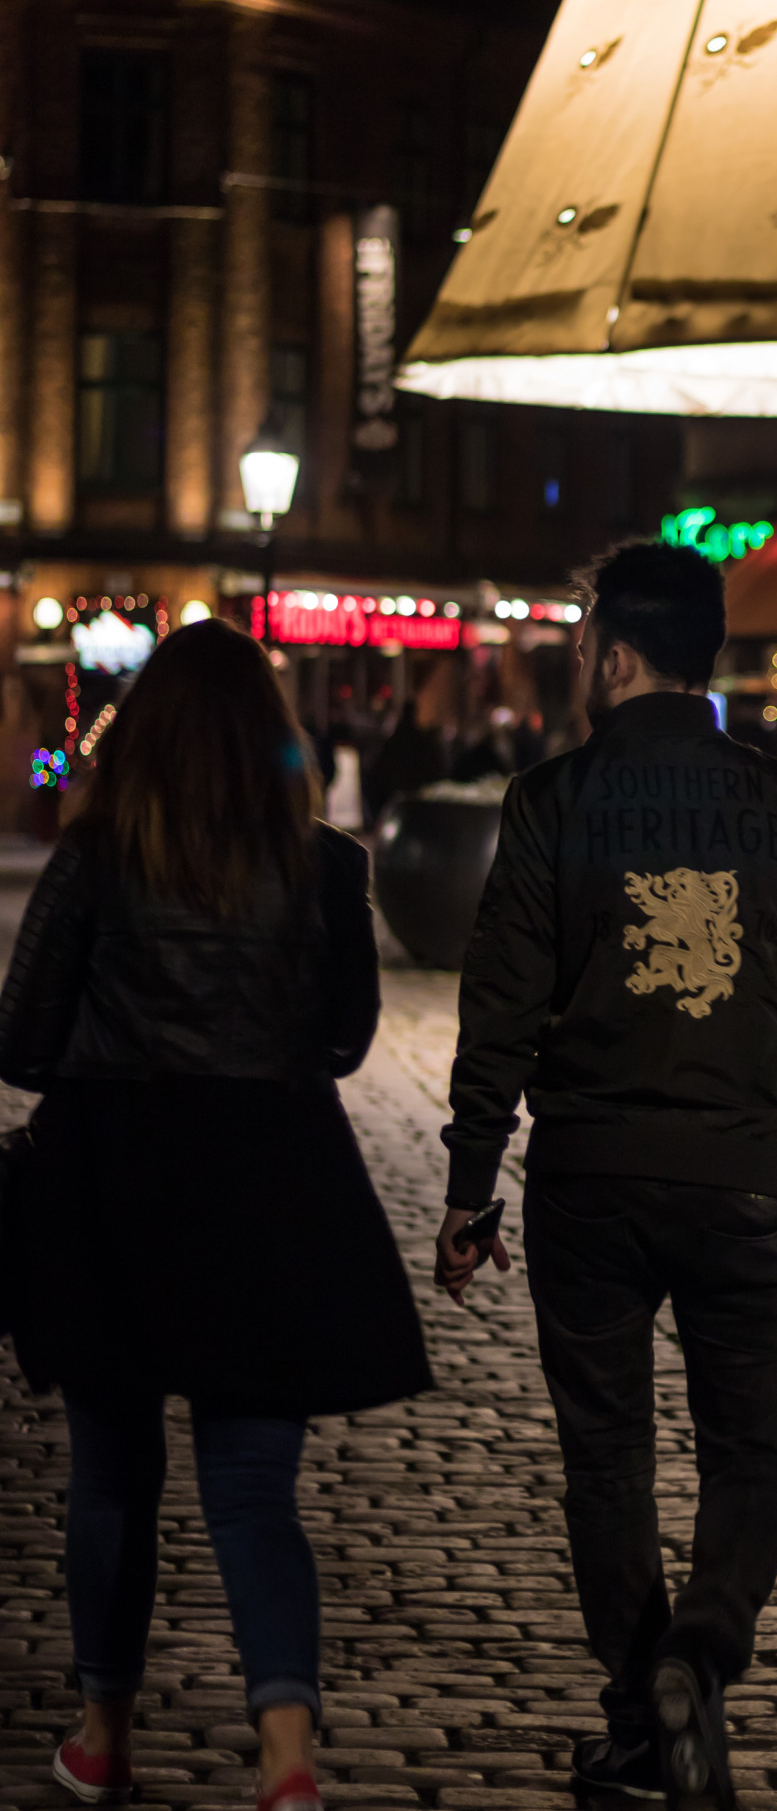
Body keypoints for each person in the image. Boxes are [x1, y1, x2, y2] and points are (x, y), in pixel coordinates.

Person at [433, 541, 777, 1811]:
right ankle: (702, 1650)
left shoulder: (550, 802)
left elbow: (499, 1011)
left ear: (616, 655)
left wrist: (470, 1186)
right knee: (752, 1453)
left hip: (591, 1179)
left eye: (580, 645)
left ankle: (638, 1715)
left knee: (608, 1456)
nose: (577, 663)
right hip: (743, 1173)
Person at [0, 619, 431, 1811]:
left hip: (114, 1181)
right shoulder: (326, 868)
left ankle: (103, 1738)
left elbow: (22, 1043)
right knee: (251, 1488)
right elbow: (342, 1044)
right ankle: (287, 1761)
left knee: (110, 1479)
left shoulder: (94, 857)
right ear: (270, 738)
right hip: (267, 1181)